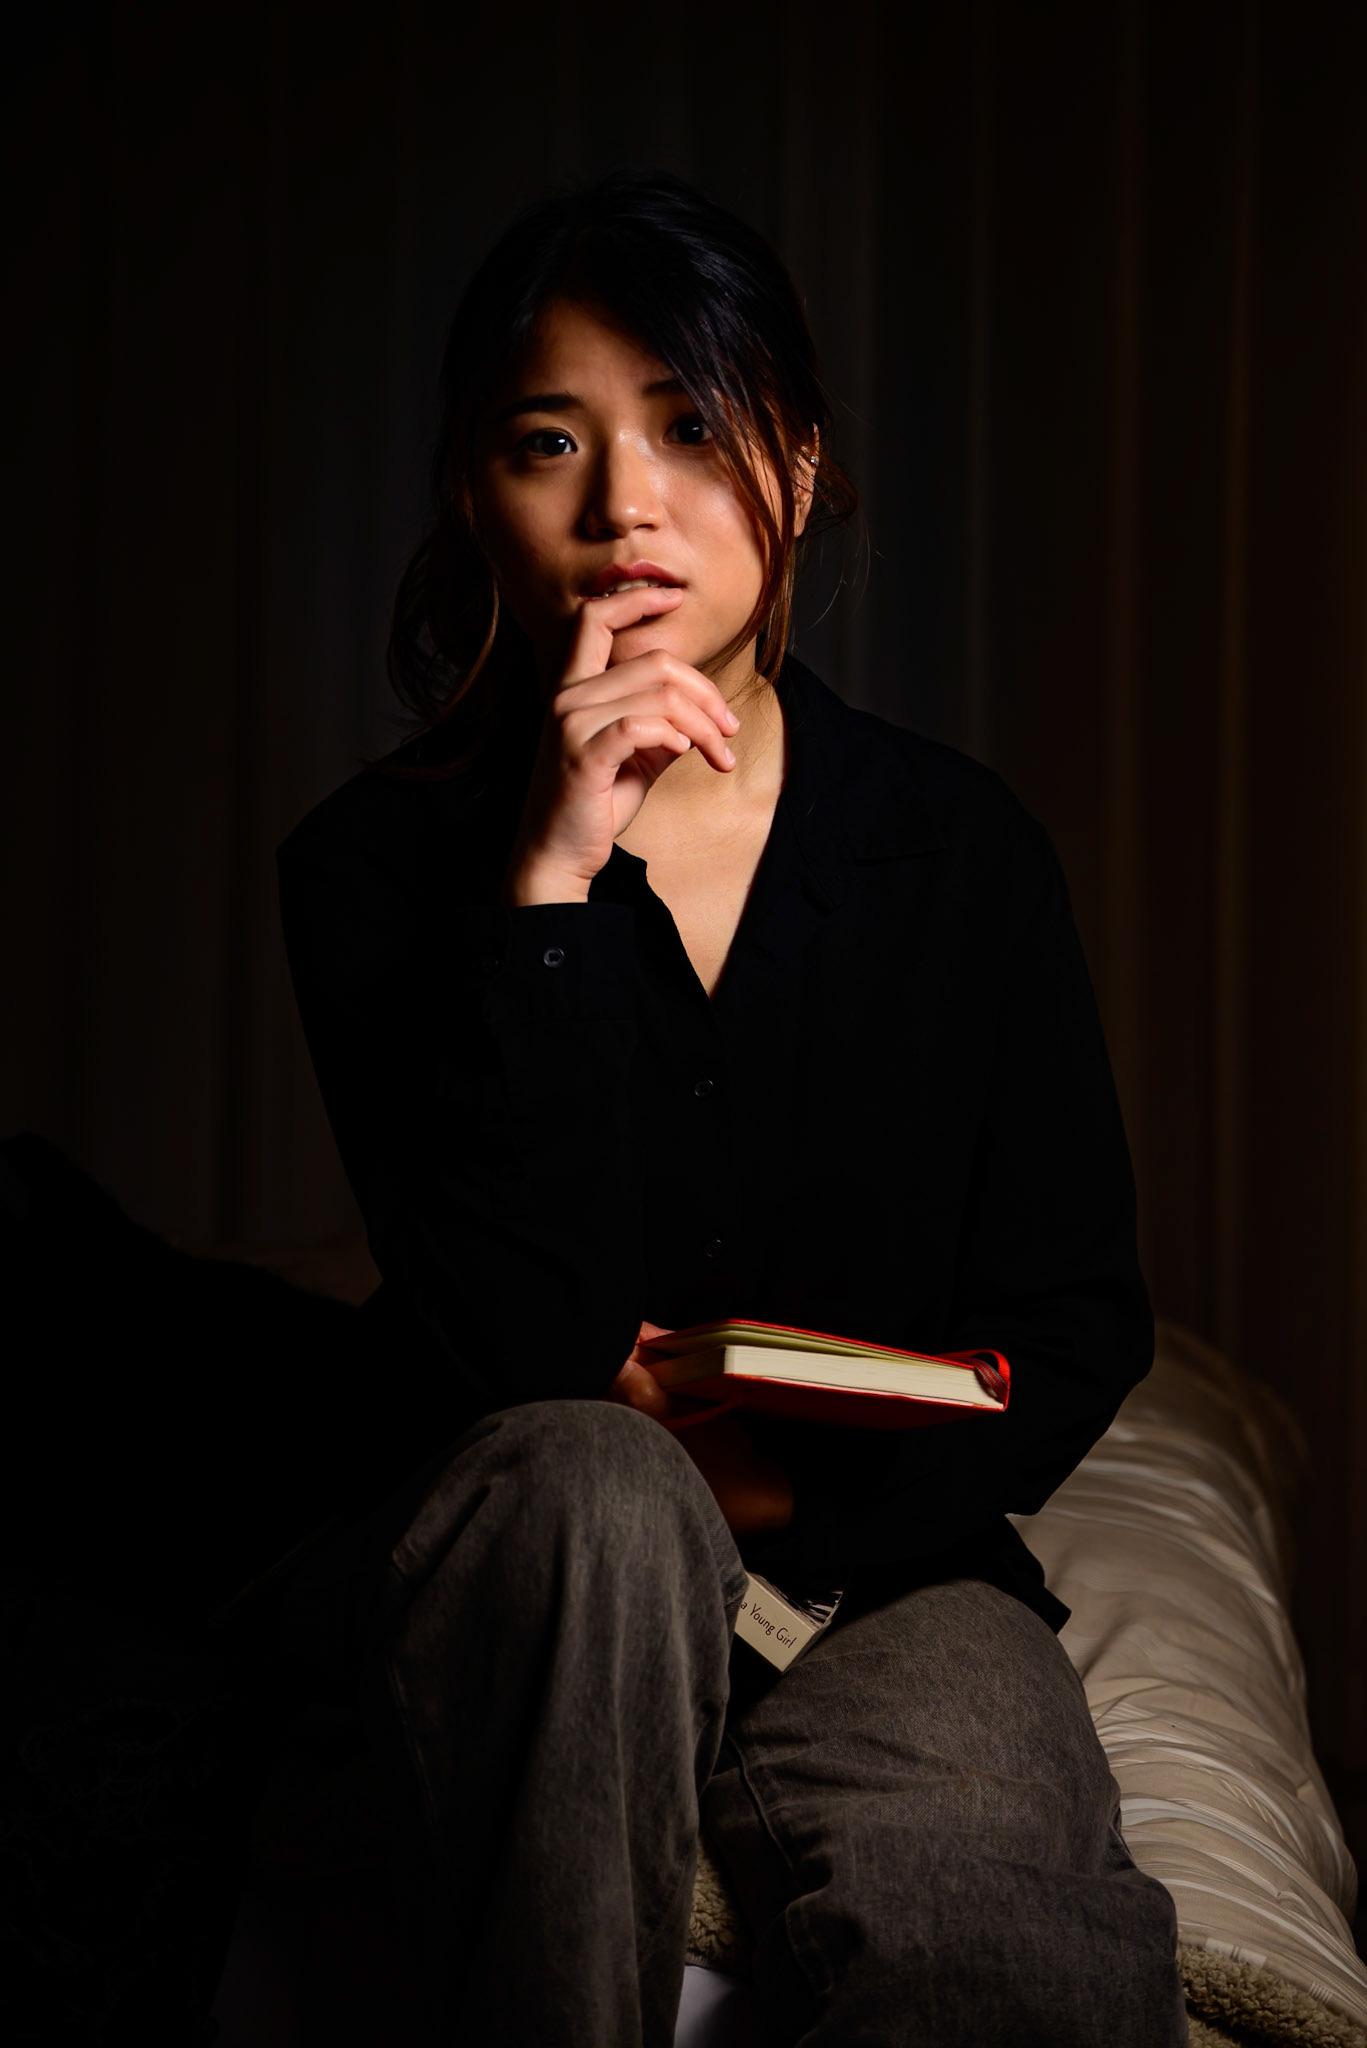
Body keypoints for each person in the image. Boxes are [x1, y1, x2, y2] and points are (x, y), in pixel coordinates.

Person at [274, 168, 1188, 2046]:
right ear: (473, 494)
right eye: (550, 442)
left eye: (693, 427)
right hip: (536, 1552)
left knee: (1000, 1927)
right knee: (597, 1482)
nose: (626, 504)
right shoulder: (373, 868)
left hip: (893, 1569)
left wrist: (786, 1489)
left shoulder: (961, 852)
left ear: (801, 461)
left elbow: (1074, 1319)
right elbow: (513, 1346)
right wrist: (548, 886)